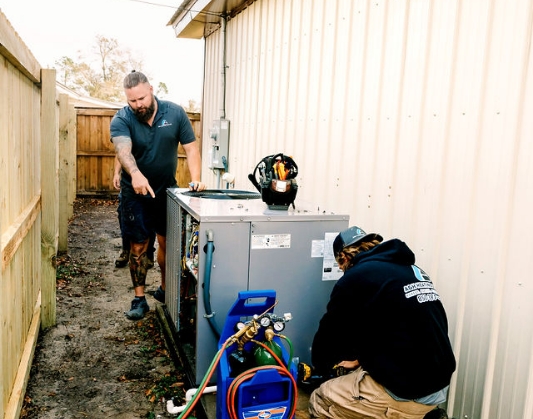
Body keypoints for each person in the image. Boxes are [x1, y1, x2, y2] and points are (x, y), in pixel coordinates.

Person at [309, 226, 456, 419]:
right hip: (438, 385)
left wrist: (320, 369)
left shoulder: (355, 277)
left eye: (339, 265)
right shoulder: (410, 270)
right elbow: (401, 329)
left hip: (407, 391)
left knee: (320, 399)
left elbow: (329, 337)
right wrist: (361, 359)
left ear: (343, 258)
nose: (341, 270)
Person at [110, 70, 206, 320]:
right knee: (139, 245)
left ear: (151, 89)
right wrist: (135, 174)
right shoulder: (121, 119)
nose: (138, 105)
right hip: (135, 193)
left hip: (166, 190)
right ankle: (139, 298)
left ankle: (165, 289)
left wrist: (195, 178)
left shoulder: (175, 113)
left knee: (167, 243)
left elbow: (191, 149)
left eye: (141, 98)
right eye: (132, 101)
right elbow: (123, 150)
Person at [112, 156, 155, 269]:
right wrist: (116, 173)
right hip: (129, 185)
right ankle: (126, 250)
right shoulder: (126, 138)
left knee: (150, 217)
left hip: (152, 183)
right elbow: (119, 154)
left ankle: (149, 253)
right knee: (125, 216)